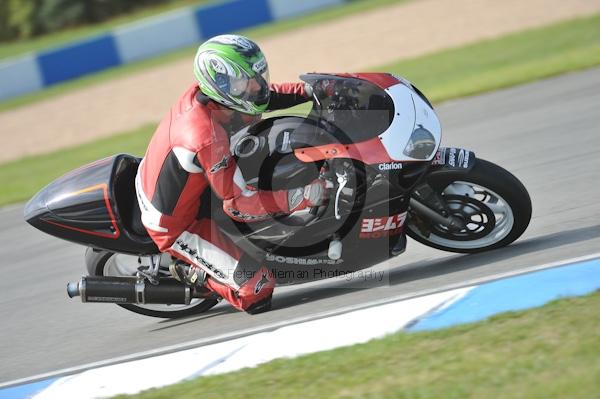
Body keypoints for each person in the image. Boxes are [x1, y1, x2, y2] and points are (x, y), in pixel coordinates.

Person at [135, 34, 328, 314]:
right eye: (244, 81)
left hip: (189, 185)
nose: (256, 86)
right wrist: (302, 197)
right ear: (221, 83)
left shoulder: (221, 98)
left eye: (257, 76)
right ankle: (194, 273)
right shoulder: (205, 135)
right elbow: (238, 204)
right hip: (177, 224)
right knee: (258, 289)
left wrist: (311, 90)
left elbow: (265, 97)